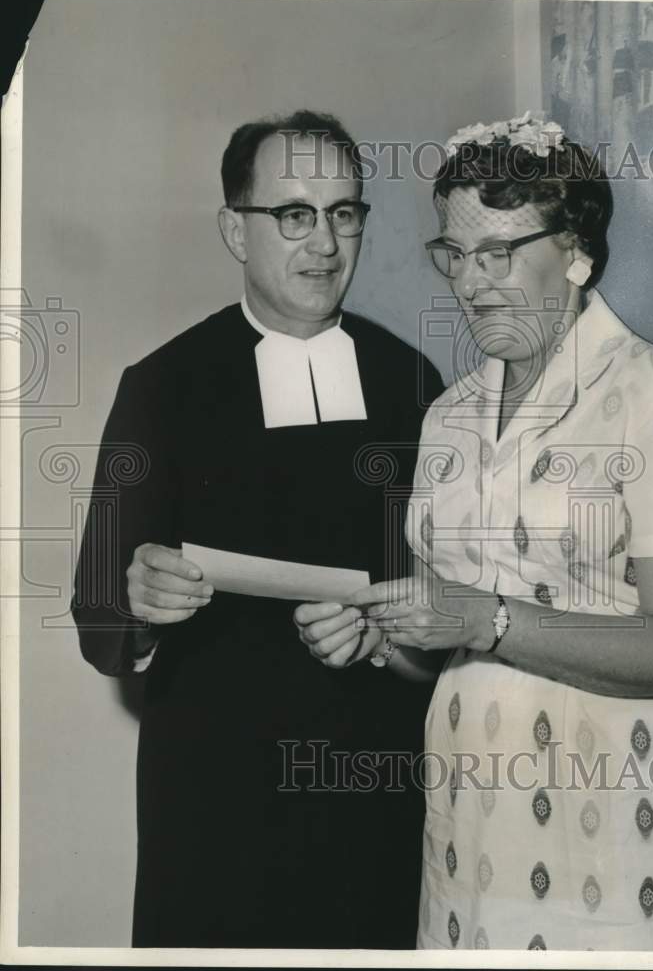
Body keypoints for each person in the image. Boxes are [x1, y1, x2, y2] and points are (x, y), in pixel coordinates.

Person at [295, 112, 653, 951]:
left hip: (628, 827)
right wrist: (381, 641)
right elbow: (443, 643)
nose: (471, 283)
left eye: (498, 253)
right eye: (455, 255)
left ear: (575, 248)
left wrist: (489, 618)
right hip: (474, 833)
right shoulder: (448, 416)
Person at [72, 109, 444, 949]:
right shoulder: (161, 384)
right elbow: (97, 622)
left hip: (372, 783)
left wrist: (386, 640)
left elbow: (439, 597)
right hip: (216, 795)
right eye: (293, 214)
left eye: (344, 212)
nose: (324, 242)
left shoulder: (413, 380)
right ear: (233, 231)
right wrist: (136, 602)